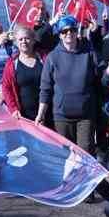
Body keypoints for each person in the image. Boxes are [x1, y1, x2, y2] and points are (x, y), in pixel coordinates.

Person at [36, 16, 102, 164]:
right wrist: (41, 114)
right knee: (66, 157)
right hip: (61, 116)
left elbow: (99, 80)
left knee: (86, 155)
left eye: (72, 30)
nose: (69, 34)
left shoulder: (89, 53)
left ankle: (88, 180)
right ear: (59, 35)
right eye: (64, 31)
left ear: (77, 31)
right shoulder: (52, 57)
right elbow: (45, 88)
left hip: (85, 115)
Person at [1, 25, 46, 123]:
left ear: (33, 40)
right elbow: (6, 87)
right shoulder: (12, 64)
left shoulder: (44, 59)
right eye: (20, 39)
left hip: (48, 112)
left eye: (27, 38)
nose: (24, 41)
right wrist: (13, 109)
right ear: (16, 43)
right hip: (25, 116)